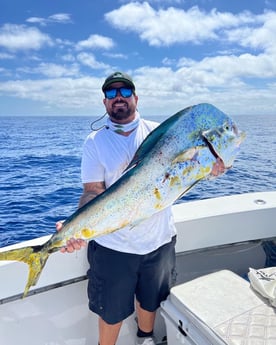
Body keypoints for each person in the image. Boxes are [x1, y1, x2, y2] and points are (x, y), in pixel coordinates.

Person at [57, 71, 177, 345]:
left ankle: (145, 338)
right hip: (114, 247)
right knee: (111, 312)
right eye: (111, 93)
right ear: (105, 102)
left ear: (136, 97)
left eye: (124, 92)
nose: (118, 97)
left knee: (151, 300)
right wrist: (75, 224)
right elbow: (92, 191)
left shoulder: (161, 135)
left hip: (159, 240)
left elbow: (189, 171)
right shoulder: (95, 142)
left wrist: (216, 167)